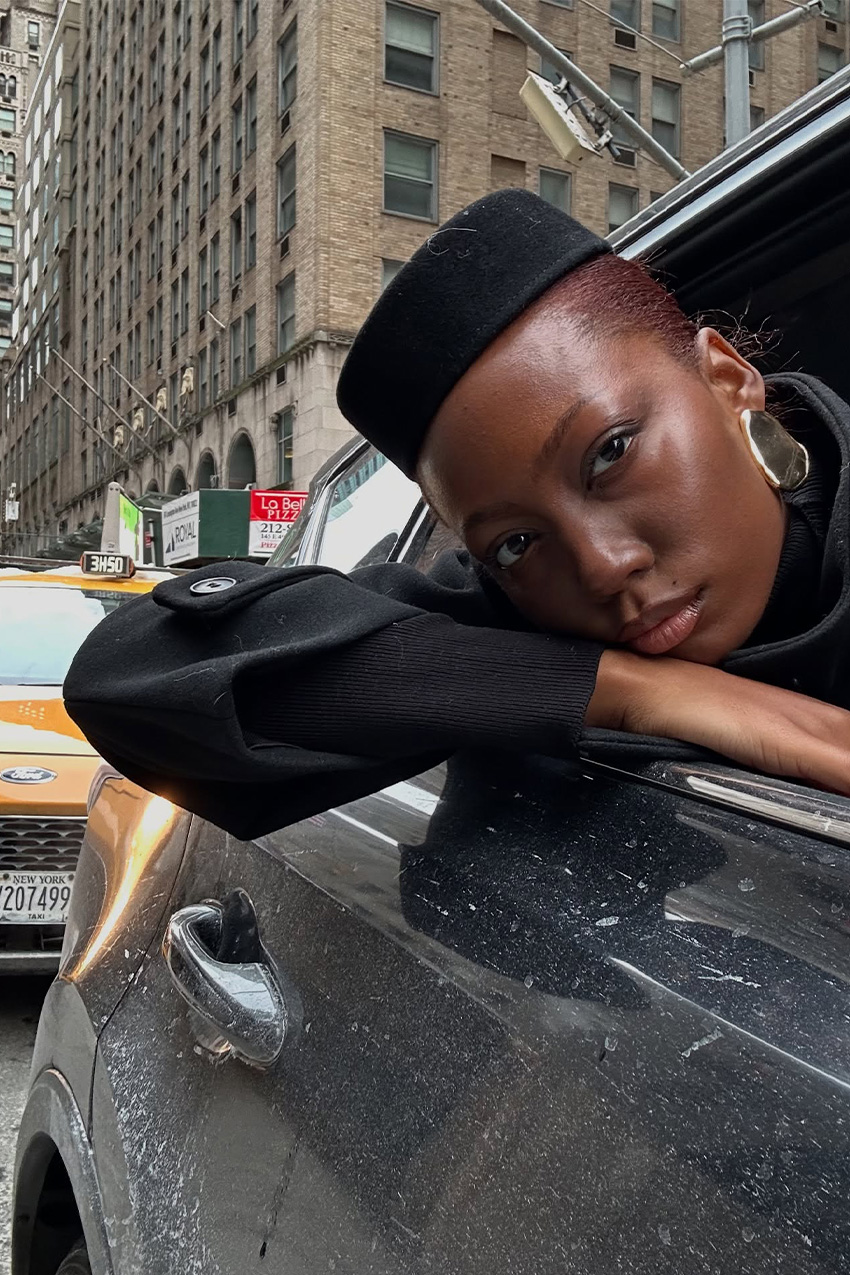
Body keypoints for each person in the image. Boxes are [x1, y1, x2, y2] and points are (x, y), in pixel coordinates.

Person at [64, 189, 850, 839]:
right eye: (515, 540)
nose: (602, 566)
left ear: (728, 377)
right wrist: (630, 691)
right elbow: (133, 677)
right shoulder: (513, 621)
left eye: (609, 453)